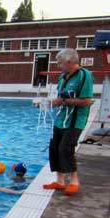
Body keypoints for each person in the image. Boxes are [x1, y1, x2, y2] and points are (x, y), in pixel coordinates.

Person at [43, 48, 94, 196]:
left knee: (66, 148)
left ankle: (74, 181)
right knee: (55, 147)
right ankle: (60, 181)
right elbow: (59, 99)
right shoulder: (63, 76)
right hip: (61, 119)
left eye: (60, 63)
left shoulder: (85, 76)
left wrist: (64, 100)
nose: (59, 66)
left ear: (70, 62)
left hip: (75, 120)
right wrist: (48, 103)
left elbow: (86, 101)